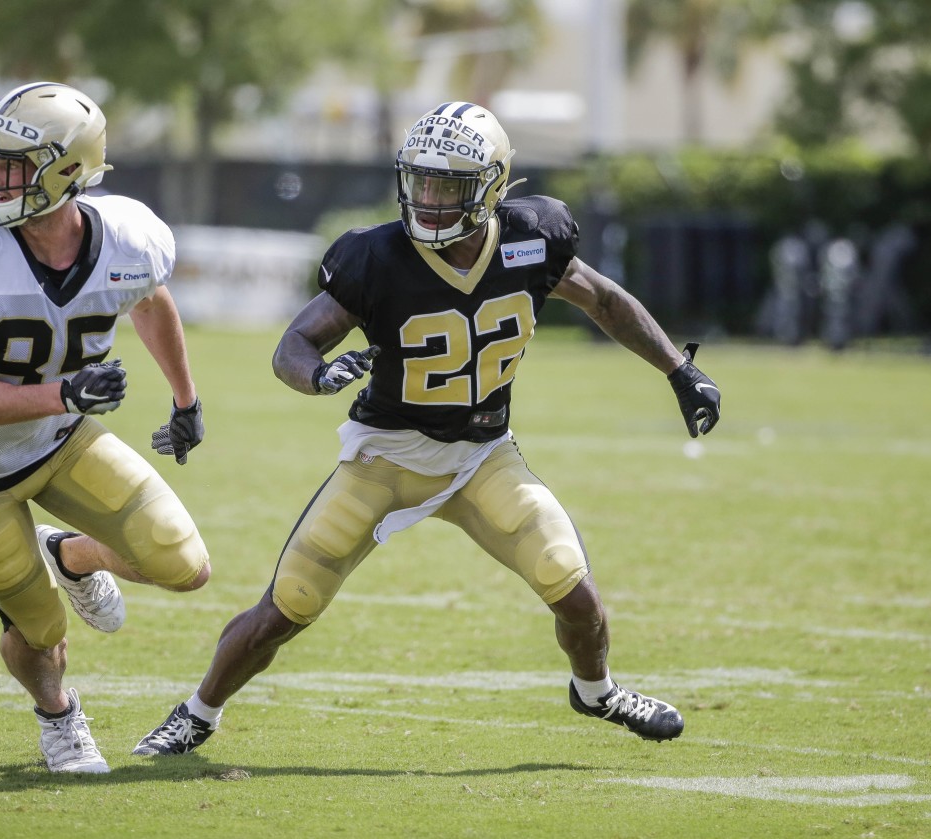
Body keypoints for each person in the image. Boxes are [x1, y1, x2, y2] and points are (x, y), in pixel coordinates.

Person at [134, 101, 721, 757]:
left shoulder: (533, 236)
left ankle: (597, 691)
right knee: (288, 604)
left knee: (573, 587)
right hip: (384, 458)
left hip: (482, 457)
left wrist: (678, 369)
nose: (431, 199)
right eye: (421, 181)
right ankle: (197, 712)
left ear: (493, 186)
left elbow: (606, 301)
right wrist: (318, 375)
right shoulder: (376, 256)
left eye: (449, 185)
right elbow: (294, 343)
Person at [0, 82, 212, 774]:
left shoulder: (125, 238)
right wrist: (64, 390)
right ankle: (59, 718)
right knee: (41, 632)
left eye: (13, 165)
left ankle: (73, 555)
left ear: (68, 172)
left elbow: (150, 301)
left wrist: (185, 398)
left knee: (182, 562)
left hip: (60, 442)